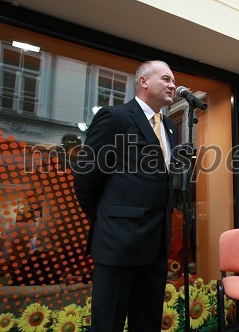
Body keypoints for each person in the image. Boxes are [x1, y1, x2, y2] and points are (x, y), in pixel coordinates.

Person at [74, 60, 179, 332]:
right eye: (166, 79)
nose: (173, 85)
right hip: (118, 241)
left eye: (173, 80)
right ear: (144, 82)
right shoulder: (115, 117)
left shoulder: (170, 127)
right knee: (108, 322)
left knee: (148, 321)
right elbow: (87, 178)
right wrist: (108, 219)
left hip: (156, 242)